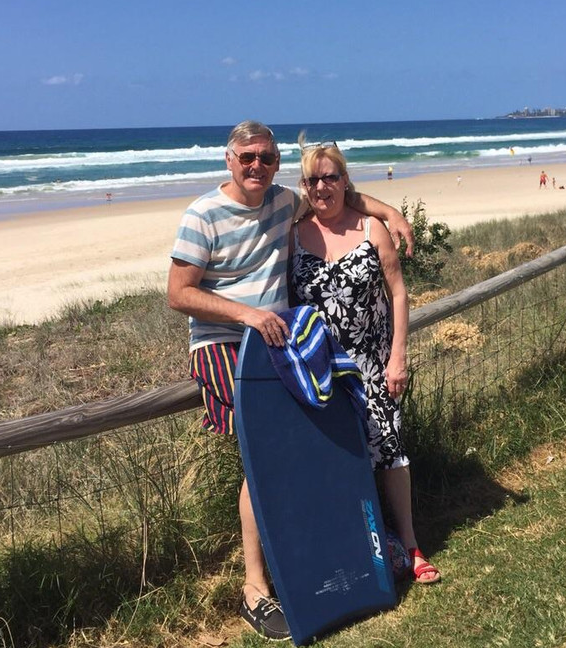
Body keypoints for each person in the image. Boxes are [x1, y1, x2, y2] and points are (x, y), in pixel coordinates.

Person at [167, 121, 414, 640]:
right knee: (265, 458)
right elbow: (178, 294)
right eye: (247, 157)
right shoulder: (202, 215)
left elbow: (337, 194)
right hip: (224, 345)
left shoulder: (285, 202)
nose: (257, 166)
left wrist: (388, 211)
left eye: (267, 158)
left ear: (277, 165)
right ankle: (254, 590)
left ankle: (320, 559)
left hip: (283, 344)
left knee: (306, 448)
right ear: (228, 160)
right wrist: (247, 316)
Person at [289, 138, 441, 586]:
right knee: (333, 460)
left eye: (331, 177)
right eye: (313, 180)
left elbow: (397, 291)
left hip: (372, 365)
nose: (322, 187)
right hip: (319, 372)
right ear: (304, 186)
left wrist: (398, 356)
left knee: (390, 454)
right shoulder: (294, 233)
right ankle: (353, 548)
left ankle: (410, 545)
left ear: (345, 181)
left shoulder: (371, 229)